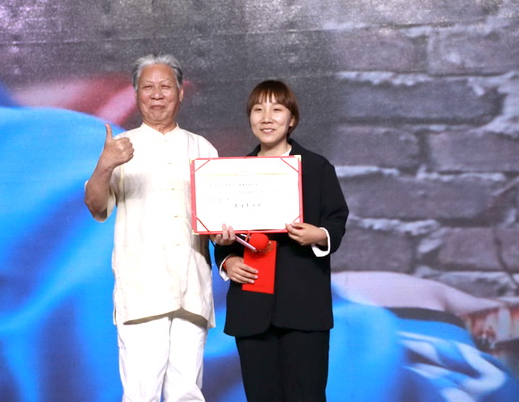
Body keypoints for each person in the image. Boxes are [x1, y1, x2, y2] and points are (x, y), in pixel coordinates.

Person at [84, 53, 218, 401]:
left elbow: (217, 219)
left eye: (165, 86)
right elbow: (96, 206)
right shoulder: (120, 148)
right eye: (148, 87)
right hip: (142, 291)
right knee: (141, 395)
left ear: (180, 93)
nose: (157, 94)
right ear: (135, 94)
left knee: (188, 394)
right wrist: (104, 166)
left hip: (192, 289)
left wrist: (225, 233)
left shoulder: (203, 148)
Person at [212, 80, 349, 402]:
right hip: (251, 307)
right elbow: (222, 237)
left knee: (307, 395)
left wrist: (319, 234)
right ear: (249, 118)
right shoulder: (232, 174)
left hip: (304, 306)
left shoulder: (316, 168)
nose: (266, 117)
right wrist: (227, 260)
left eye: (277, 109)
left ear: (292, 120)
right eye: (258, 109)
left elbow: (336, 221)